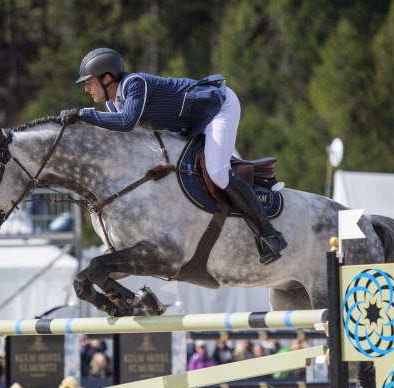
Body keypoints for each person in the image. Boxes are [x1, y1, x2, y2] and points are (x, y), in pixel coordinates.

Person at [60, 48, 287, 264]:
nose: (87, 89)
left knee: (217, 172)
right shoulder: (112, 104)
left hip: (218, 107)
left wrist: (83, 115)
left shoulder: (134, 84)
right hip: (192, 123)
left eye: (89, 82)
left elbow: (127, 123)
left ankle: (270, 234)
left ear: (107, 78)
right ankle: (255, 181)